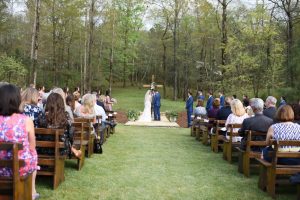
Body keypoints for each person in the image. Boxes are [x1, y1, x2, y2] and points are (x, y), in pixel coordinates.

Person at [0, 84, 39, 199]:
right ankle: (32, 192)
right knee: (33, 153)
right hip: (19, 170)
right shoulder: (26, 120)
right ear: (17, 100)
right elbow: (32, 147)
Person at [38, 93, 81, 158]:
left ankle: (74, 150)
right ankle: (74, 150)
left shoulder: (42, 116)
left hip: (43, 150)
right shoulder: (65, 117)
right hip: (61, 151)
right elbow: (70, 135)